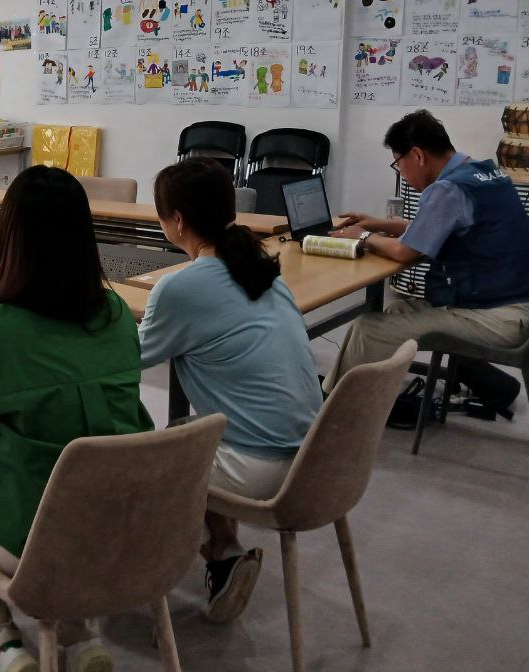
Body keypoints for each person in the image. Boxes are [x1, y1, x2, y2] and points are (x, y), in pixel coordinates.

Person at [0, 166, 152, 672]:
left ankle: (2, 644)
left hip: (40, 539)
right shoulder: (117, 315)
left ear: (10, 238)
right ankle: (80, 638)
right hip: (123, 525)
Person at [139, 158, 321, 624]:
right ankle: (223, 553)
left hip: (262, 467)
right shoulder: (260, 267)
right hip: (316, 457)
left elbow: (126, 361)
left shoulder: (179, 287)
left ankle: (140, 579)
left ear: (176, 221)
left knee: (134, 459)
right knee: (186, 428)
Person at [326, 110, 529, 407]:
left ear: (417, 155)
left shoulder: (448, 189)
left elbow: (407, 251)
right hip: (512, 304)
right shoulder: (483, 173)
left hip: (495, 317)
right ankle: (372, 401)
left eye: (399, 163)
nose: (402, 173)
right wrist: (375, 224)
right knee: (395, 313)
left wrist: (362, 238)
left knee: (367, 328)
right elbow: (436, 227)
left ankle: (334, 412)